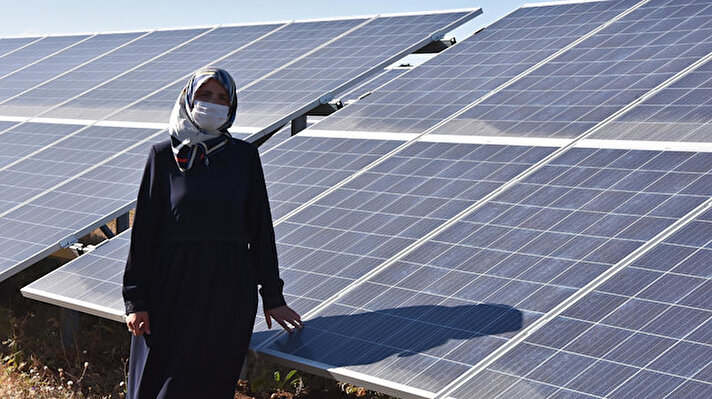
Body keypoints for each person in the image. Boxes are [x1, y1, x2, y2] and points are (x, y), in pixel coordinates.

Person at [122, 66, 303, 399]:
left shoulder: (244, 157)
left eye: (222, 98)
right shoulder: (163, 156)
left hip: (228, 290)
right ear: (188, 99)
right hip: (171, 288)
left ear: (232, 106)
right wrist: (136, 300)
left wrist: (273, 297)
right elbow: (143, 232)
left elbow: (260, 228)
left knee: (210, 385)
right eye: (205, 95)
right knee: (159, 385)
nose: (213, 104)